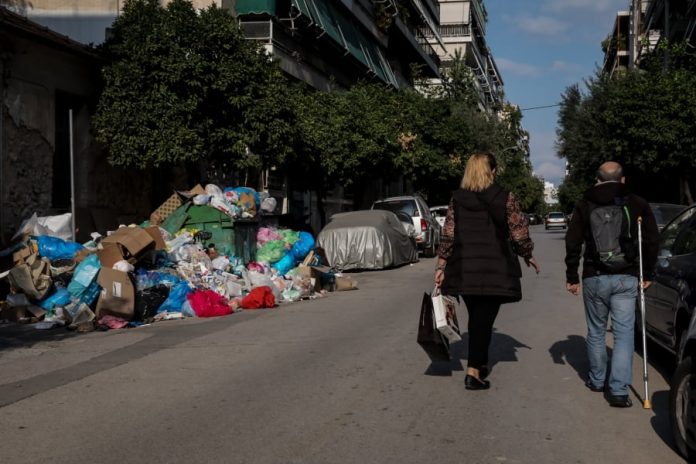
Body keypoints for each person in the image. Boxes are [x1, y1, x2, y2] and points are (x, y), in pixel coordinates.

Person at [434, 153, 540, 390]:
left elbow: (448, 235)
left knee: (478, 319)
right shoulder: (505, 196)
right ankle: (473, 372)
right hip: (496, 268)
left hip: (464, 269)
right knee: (482, 320)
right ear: (492, 171)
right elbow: (518, 231)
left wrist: (441, 265)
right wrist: (527, 254)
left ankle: (479, 363)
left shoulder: (457, 198)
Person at [565, 161, 659, 408]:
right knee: (624, 334)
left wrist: (571, 276)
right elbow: (651, 239)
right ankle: (618, 390)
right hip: (625, 277)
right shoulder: (636, 202)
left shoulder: (585, 203)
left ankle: (597, 380)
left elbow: (572, 240)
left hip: (594, 276)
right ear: (623, 180)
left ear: (597, 179)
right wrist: (648, 272)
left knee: (596, 331)